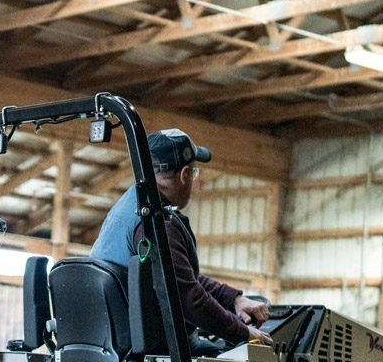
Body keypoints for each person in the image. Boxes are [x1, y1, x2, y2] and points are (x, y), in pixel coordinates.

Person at [89, 129, 272, 346]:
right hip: (152, 351)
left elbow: (178, 276)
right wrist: (243, 333)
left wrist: (233, 299)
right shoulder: (157, 222)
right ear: (184, 174)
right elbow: (187, 298)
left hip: (112, 344)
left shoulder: (128, 207)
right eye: (194, 174)